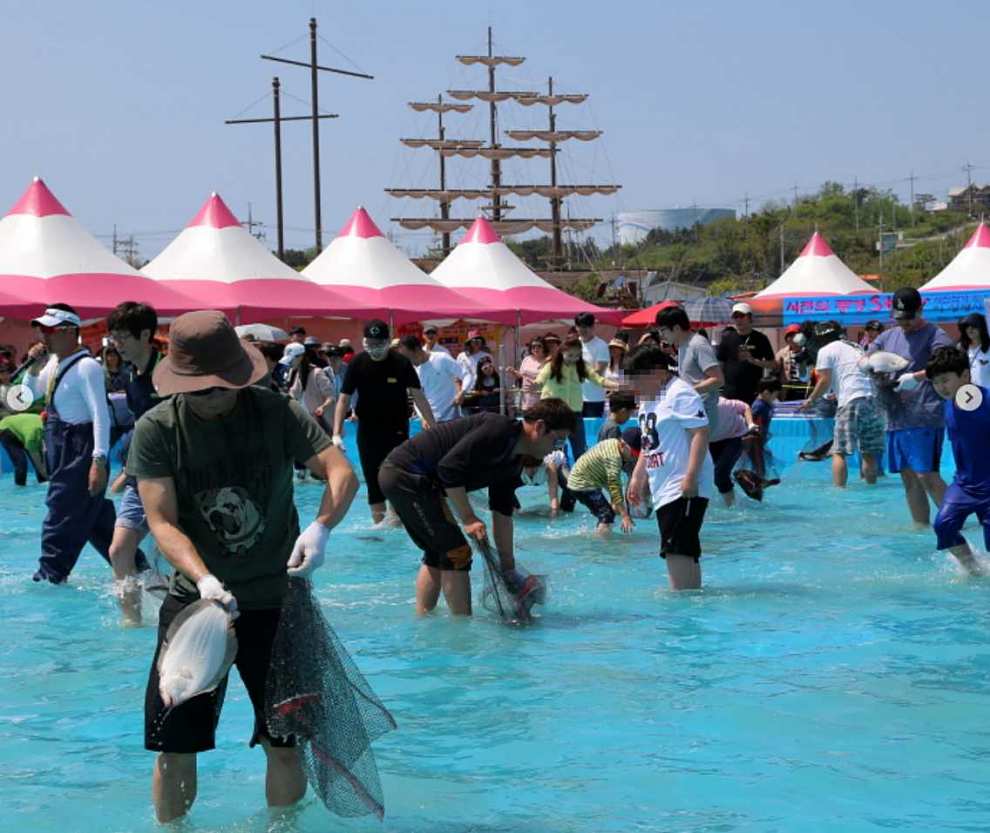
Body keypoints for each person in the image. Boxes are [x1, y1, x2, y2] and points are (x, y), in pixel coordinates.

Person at [127, 310, 359, 823]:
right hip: (195, 608)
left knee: (284, 741)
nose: (209, 397)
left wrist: (321, 527)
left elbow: (341, 471)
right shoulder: (156, 429)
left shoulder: (277, 413)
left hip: (277, 604)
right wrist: (205, 578)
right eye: (197, 389)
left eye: (219, 387)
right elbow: (162, 522)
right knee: (175, 745)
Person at [378, 399, 576, 615]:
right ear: (539, 427)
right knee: (457, 552)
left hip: (418, 482)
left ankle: (424, 619)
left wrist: (508, 569)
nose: (555, 449)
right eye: (557, 442)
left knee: (439, 552)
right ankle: (462, 634)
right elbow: (449, 468)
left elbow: (502, 514)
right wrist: (468, 518)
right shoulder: (498, 430)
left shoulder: (513, 461)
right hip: (405, 474)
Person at [23, 305, 118, 585]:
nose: (43, 335)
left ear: (68, 332)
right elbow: (27, 396)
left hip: (80, 452)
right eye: (42, 329)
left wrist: (99, 461)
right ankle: (138, 569)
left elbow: (101, 415)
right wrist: (33, 368)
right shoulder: (53, 365)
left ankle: (49, 578)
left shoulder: (86, 367)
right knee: (95, 520)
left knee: (61, 513)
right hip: (61, 450)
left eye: (49, 329)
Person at [626, 344, 713, 590]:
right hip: (664, 487)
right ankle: (688, 599)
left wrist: (691, 477)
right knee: (679, 547)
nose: (633, 385)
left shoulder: (680, 393)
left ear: (657, 372)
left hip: (682, 484)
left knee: (677, 549)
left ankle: (683, 609)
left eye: (637, 378)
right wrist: (637, 478)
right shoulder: (649, 400)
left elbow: (700, 432)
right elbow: (648, 444)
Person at [333, 320, 436, 525]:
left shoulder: (401, 363)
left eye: (378, 345)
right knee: (372, 478)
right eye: (370, 344)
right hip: (368, 430)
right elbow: (343, 398)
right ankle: (379, 526)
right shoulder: (357, 363)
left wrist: (432, 426)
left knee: (397, 476)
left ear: (388, 342)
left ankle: (397, 521)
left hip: (396, 429)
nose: (374, 350)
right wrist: (336, 432)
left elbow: (418, 396)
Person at [868, 287, 954, 526]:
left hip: (925, 415)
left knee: (926, 474)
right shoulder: (888, 336)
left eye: (908, 318)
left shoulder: (936, 335)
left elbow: (948, 364)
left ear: (920, 309)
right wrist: (869, 364)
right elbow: (868, 354)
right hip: (896, 417)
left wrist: (917, 376)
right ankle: (921, 527)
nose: (903, 324)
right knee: (908, 478)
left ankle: (955, 521)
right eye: (899, 319)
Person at [105, 301, 162, 622]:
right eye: (114, 337)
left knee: (169, 554)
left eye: (123, 337)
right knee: (119, 551)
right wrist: (126, 471)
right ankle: (132, 620)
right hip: (140, 476)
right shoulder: (129, 376)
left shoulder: (168, 373)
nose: (117, 344)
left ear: (145, 335)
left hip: (172, 478)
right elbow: (140, 426)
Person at [925, 346, 988, 575]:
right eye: (936, 382)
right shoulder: (949, 404)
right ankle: (973, 570)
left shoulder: (985, 401)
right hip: (964, 485)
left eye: (945, 380)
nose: (941, 387)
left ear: (965, 375)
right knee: (944, 525)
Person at [801, 321, 884, 487]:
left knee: (838, 452)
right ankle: (871, 488)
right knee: (868, 453)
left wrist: (811, 399)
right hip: (872, 400)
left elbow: (824, 380)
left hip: (850, 400)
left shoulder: (826, 350)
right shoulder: (855, 346)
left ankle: (839, 492)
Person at [532, 334, 620, 462]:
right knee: (556, 452)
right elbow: (540, 380)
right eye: (570, 355)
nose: (574, 359)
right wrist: (535, 385)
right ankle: (558, 477)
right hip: (554, 414)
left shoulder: (581, 367)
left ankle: (581, 478)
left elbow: (599, 380)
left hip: (575, 414)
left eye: (577, 355)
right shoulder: (551, 366)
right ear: (562, 352)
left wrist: (618, 386)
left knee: (581, 450)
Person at [656, 305, 724, 431]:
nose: (661, 335)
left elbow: (718, 379)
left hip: (702, 412)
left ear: (676, 328)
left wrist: (686, 392)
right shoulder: (682, 346)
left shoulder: (698, 344)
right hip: (691, 410)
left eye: (663, 330)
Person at [564, 427, 642, 535]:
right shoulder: (614, 458)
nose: (633, 458)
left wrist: (616, 503)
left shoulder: (613, 443)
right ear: (623, 445)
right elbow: (614, 485)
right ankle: (600, 546)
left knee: (607, 512)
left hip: (581, 480)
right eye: (633, 454)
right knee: (607, 516)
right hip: (582, 485)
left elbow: (607, 479)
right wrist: (625, 516)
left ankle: (598, 534)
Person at [397, 334, 464, 422]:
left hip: (451, 418)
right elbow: (418, 399)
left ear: (417, 349)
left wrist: (461, 392)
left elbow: (466, 376)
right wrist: (423, 418)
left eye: (408, 357)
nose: (407, 362)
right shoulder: (413, 371)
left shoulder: (442, 358)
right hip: (430, 421)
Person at [718, 302, 775, 404]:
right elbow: (720, 363)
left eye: (741, 316)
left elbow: (772, 363)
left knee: (751, 419)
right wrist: (720, 386)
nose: (738, 320)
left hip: (752, 392)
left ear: (749, 318)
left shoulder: (761, 338)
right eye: (735, 316)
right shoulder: (727, 337)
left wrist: (754, 361)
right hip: (730, 392)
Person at [708, 397, 757, 507]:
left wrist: (750, 423)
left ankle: (731, 507)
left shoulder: (724, 404)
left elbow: (745, 406)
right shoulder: (691, 406)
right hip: (710, 441)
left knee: (720, 474)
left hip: (733, 438)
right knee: (706, 474)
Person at [284, 341, 335, 432]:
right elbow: (292, 394)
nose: (289, 362)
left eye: (291, 359)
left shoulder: (317, 373)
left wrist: (322, 407)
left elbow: (331, 397)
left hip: (323, 423)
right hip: (306, 422)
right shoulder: (298, 374)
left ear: (301, 357)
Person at [575, 312, 610, 418]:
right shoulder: (573, 344)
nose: (583, 329)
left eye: (586, 326)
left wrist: (578, 373)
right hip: (574, 397)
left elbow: (599, 371)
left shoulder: (601, 345)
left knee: (592, 432)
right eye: (580, 326)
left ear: (593, 326)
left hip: (594, 398)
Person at [0, 412, 47, 486]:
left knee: (38, 457)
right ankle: (20, 487)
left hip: (21, 429)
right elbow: (35, 457)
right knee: (21, 462)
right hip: (6, 429)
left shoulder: (44, 427)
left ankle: (43, 481)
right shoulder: (35, 431)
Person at [507, 337, 549, 411]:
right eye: (533, 346)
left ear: (544, 347)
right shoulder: (527, 359)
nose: (536, 348)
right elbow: (521, 376)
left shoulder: (548, 360)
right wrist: (513, 372)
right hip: (527, 397)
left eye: (539, 346)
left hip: (542, 396)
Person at [775, 324, 813, 401]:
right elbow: (774, 370)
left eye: (795, 336)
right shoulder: (782, 353)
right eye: (790, 336)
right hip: (788, 391)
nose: (792, 338)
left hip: (805, 389)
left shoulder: (809, 352)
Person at [958, 312, 990, 388]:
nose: (970, 329)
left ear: (982, 328)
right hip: (968, 393)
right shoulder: (960, 348)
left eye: (974, 326)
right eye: (967, 327)